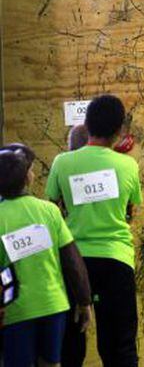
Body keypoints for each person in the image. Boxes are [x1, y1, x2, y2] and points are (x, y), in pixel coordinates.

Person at [46, 95, 142, 367]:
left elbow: (53, 210)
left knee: (71, 345)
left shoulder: (61, 163)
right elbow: (130, 213)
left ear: (87, 124)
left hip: (74, 262)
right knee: (120, 347)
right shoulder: (128, 165)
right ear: (119, 131)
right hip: (117, 261)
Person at [0, 144, 91, 367]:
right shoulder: (49, 211)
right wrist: (84, 301)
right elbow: (72, 260)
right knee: (51, 364)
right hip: (54, 306)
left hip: (16, 310)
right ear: (27, 178)